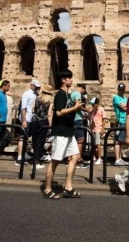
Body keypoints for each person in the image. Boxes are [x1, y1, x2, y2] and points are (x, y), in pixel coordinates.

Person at [43, 69, 83, 199]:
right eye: (69, 78)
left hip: (68, 132)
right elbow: (59, 113)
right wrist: (74, 108)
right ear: (63, 80)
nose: (71, 80)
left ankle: (68, 187)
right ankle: (48, 189)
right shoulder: (60, 94)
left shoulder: (68, 95)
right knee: (55, 160)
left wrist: (77, 106)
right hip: (60, 132)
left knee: (75, 157)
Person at [29, 85, 54, 170]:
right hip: (44, 121)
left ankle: (35, 158)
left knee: (35, 140)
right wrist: (50, 126)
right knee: (41, 140)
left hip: (35, 120)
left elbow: (34, 110)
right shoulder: (50, 101)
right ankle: (37, 160)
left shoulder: (37, 99)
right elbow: (49, 114)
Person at [18, 79, 41, 164]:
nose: (37, 88)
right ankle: (19, 157)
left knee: (27, 137)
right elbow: (23, 107)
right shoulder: (26, 94)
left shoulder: (35, 94)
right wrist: (24, 120)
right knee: (22, 137)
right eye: (35, 86)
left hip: (32, 118)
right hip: (26, 118)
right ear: (31, 85)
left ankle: (24, 153)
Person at [71, 83, 90, 169]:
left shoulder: (71, 93)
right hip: (77, 119)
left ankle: (71, 159)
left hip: (72, 118)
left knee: (73, 140)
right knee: (81, 140)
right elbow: (77, 106)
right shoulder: (77, 93)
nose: (83, 93)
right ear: (82, 88)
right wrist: (87, 110)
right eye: (83, 91)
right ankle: (79, 159)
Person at [112, 83, 128, 166]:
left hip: (125, 121)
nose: (122, 90)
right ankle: (117, 159)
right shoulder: (116, 97)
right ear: (118, 90)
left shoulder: (125, 98)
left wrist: (126, 106)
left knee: (121, 140)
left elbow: (127, 107)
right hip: (119, 121)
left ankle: (120, 158)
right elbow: (123, 107)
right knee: (118, 140)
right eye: (120, 89)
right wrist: (126, 106)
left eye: (123, 89)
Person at [88, 97, 105, 165]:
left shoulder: (101, 109)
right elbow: (90, 118)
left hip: (98, 128)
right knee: (93, 144)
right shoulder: (93, 110)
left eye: (93, 104)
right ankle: (94, 157)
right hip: (93, 129)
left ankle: (100, 158)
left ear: (97, 103)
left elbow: (104, 119)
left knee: (98, 144)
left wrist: (102, 128)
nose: (92, 105)